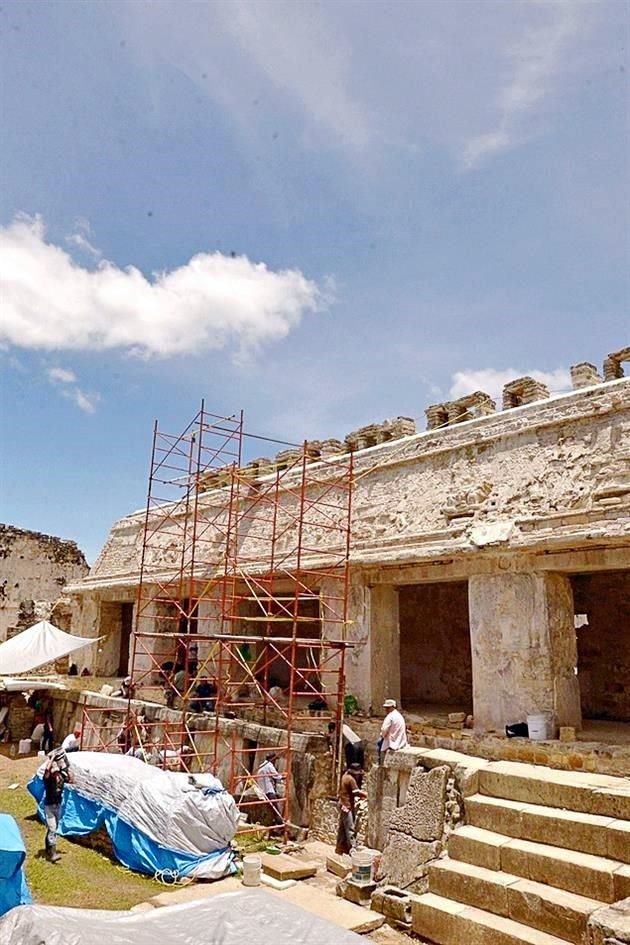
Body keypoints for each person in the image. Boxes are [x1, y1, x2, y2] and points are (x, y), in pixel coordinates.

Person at [42, 748, 73, 863]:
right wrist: (52, 758)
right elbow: (46, 770)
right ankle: (53, 854)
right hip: (49, 806)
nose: (55, 773)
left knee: (52, 829)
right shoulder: (48, 780)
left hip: (58, 806)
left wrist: (67, 767)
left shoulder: (61, 777)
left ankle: (47, 847)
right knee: (53, 829)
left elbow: (72, 780)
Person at [336, 762, 367, 856]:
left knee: (342, 828)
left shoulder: (344, 776)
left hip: (342, 804)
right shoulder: (350, 779)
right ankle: (352, 849)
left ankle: (340, 846)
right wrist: (367, 795)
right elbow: (356, 792)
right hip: (347, 805)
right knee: (350, 828)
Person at [256, 752, 285, 823]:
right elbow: (276, 776)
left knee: (272, 807)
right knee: (275, 808)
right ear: (272, 759)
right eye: (275, 760)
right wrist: (284, 776)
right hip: (268, 789)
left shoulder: (261, 766)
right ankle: (280, 822)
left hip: (262, 790)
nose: (275, 761)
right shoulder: (269, 766)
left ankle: (276, 821)